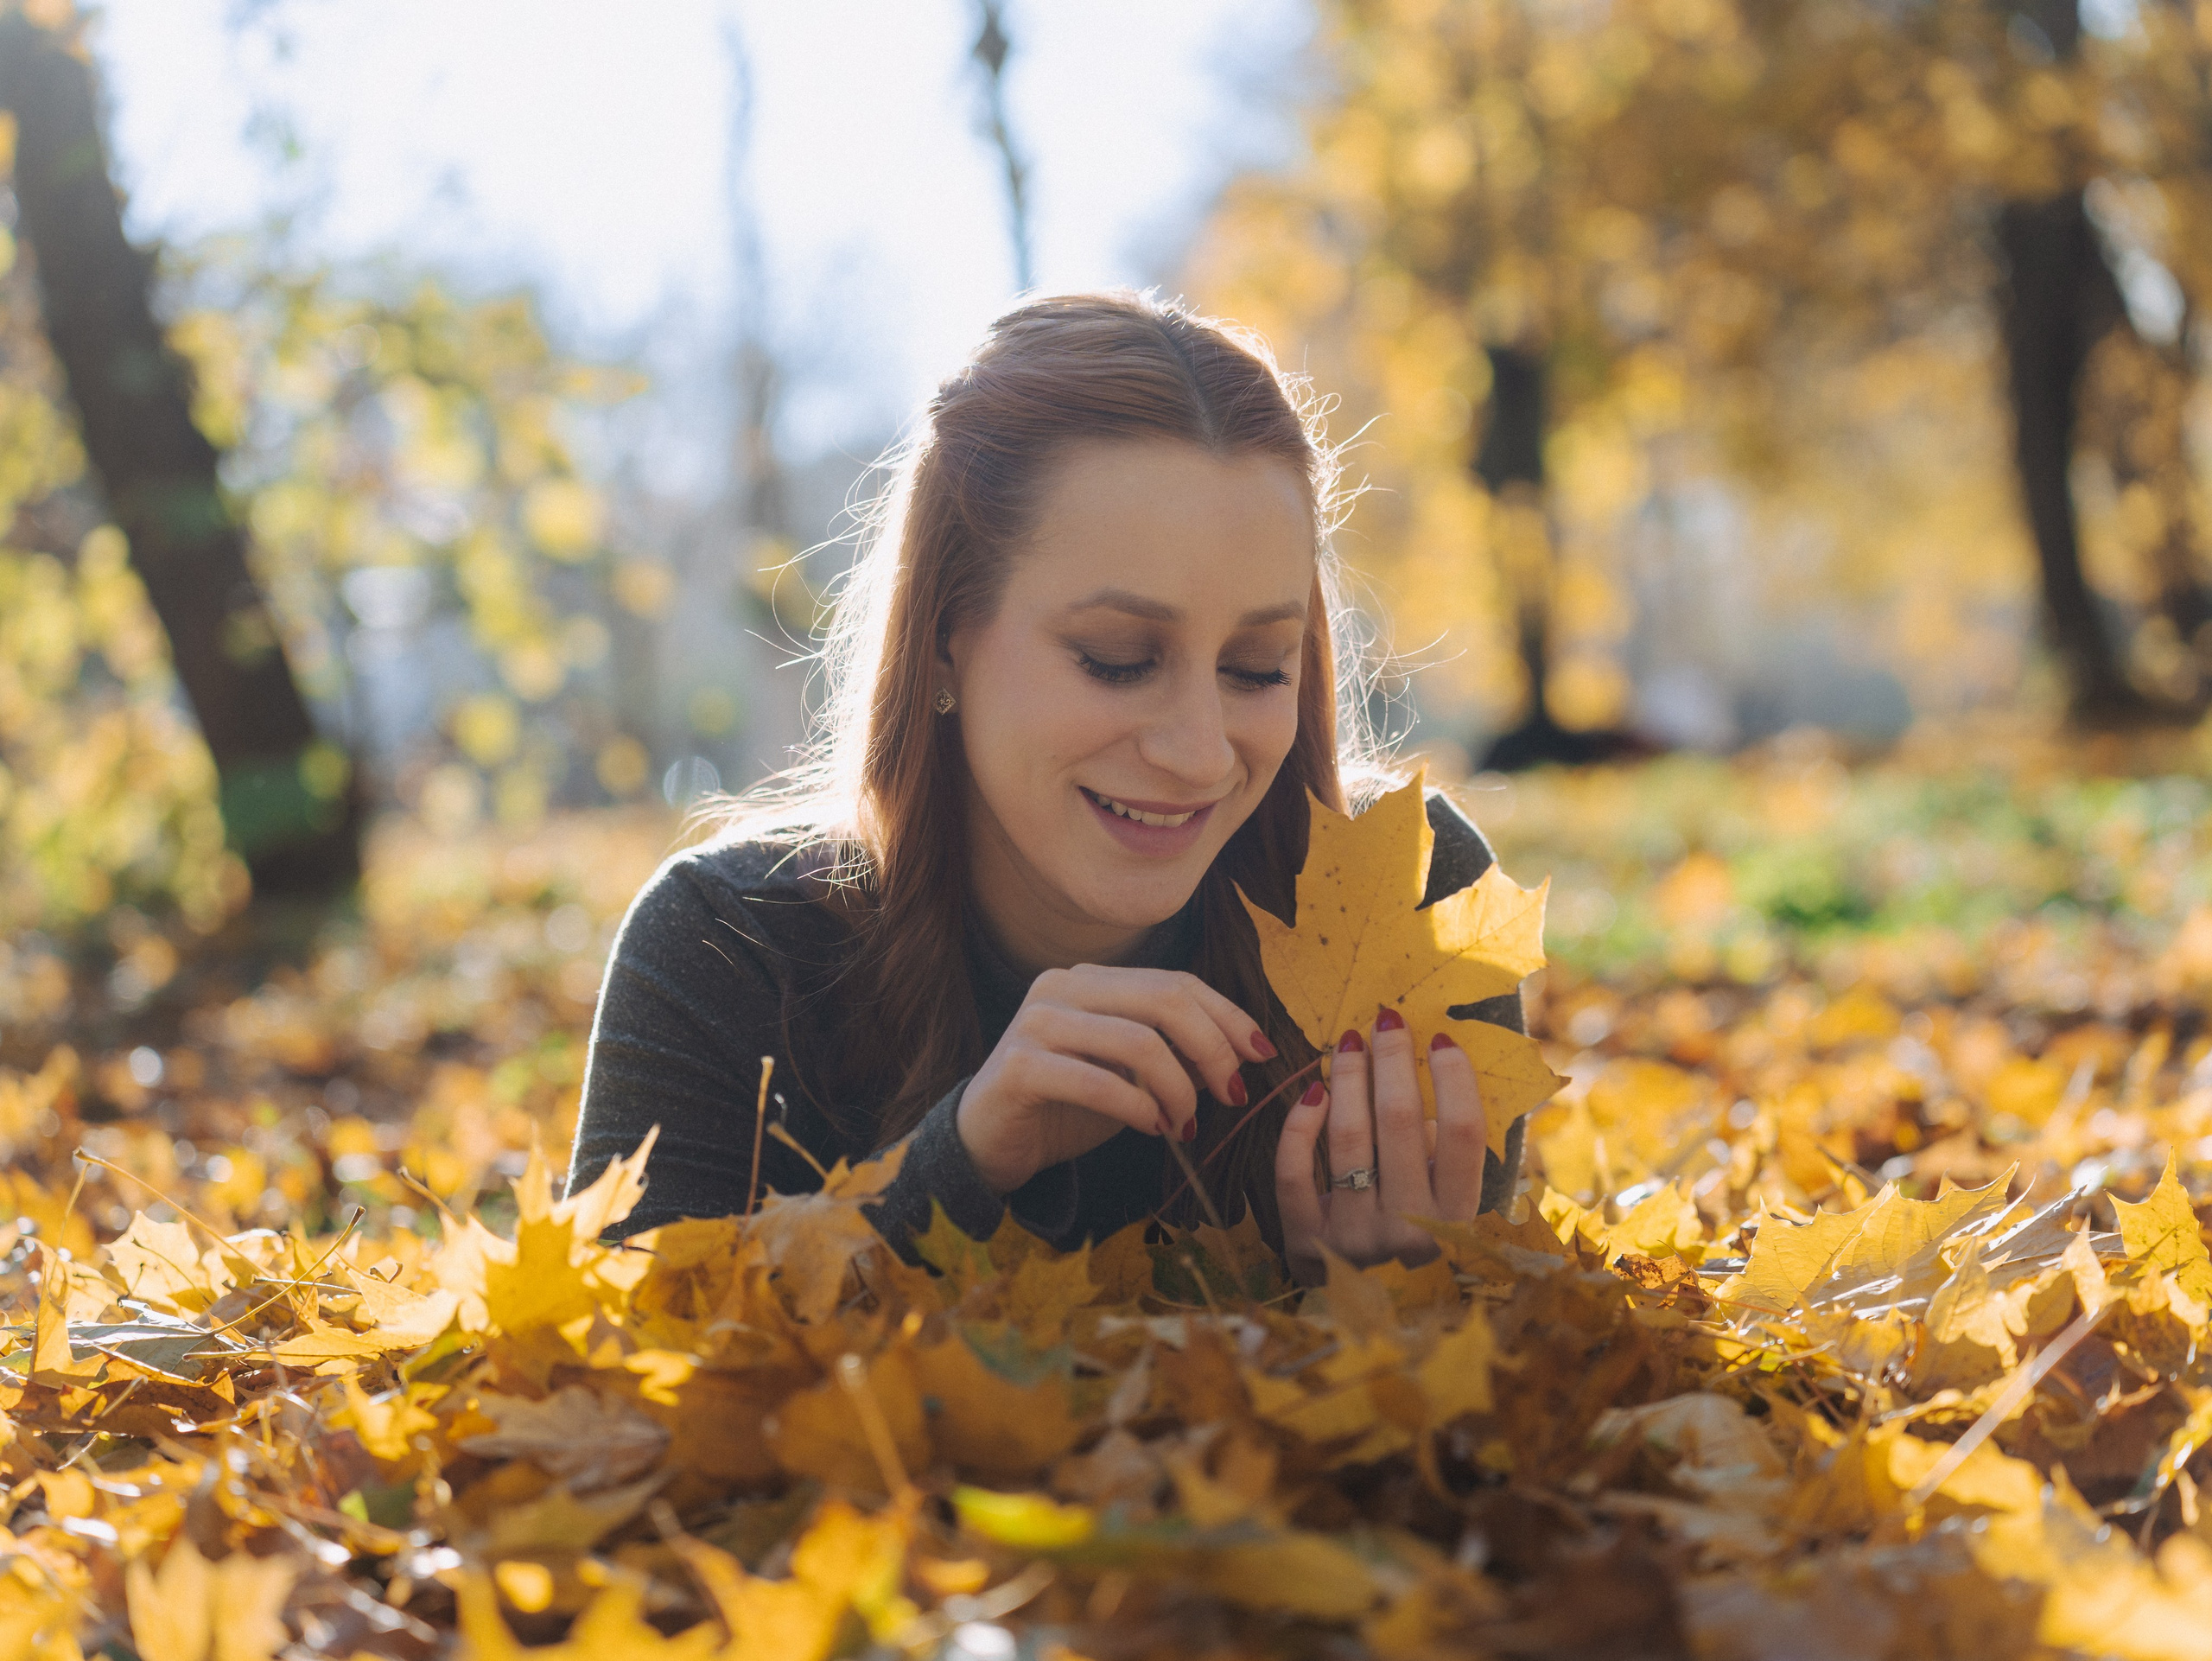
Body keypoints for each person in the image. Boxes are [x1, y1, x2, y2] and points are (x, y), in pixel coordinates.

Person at [564, 291, 1530, 1282]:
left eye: (1256, 667)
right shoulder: (730, 948)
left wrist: (1386, 1309)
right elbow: (600, 1371)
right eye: (1115, 658)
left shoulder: (1406, 894)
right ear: (944, 639)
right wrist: (960, 1165)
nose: (1199, 753)